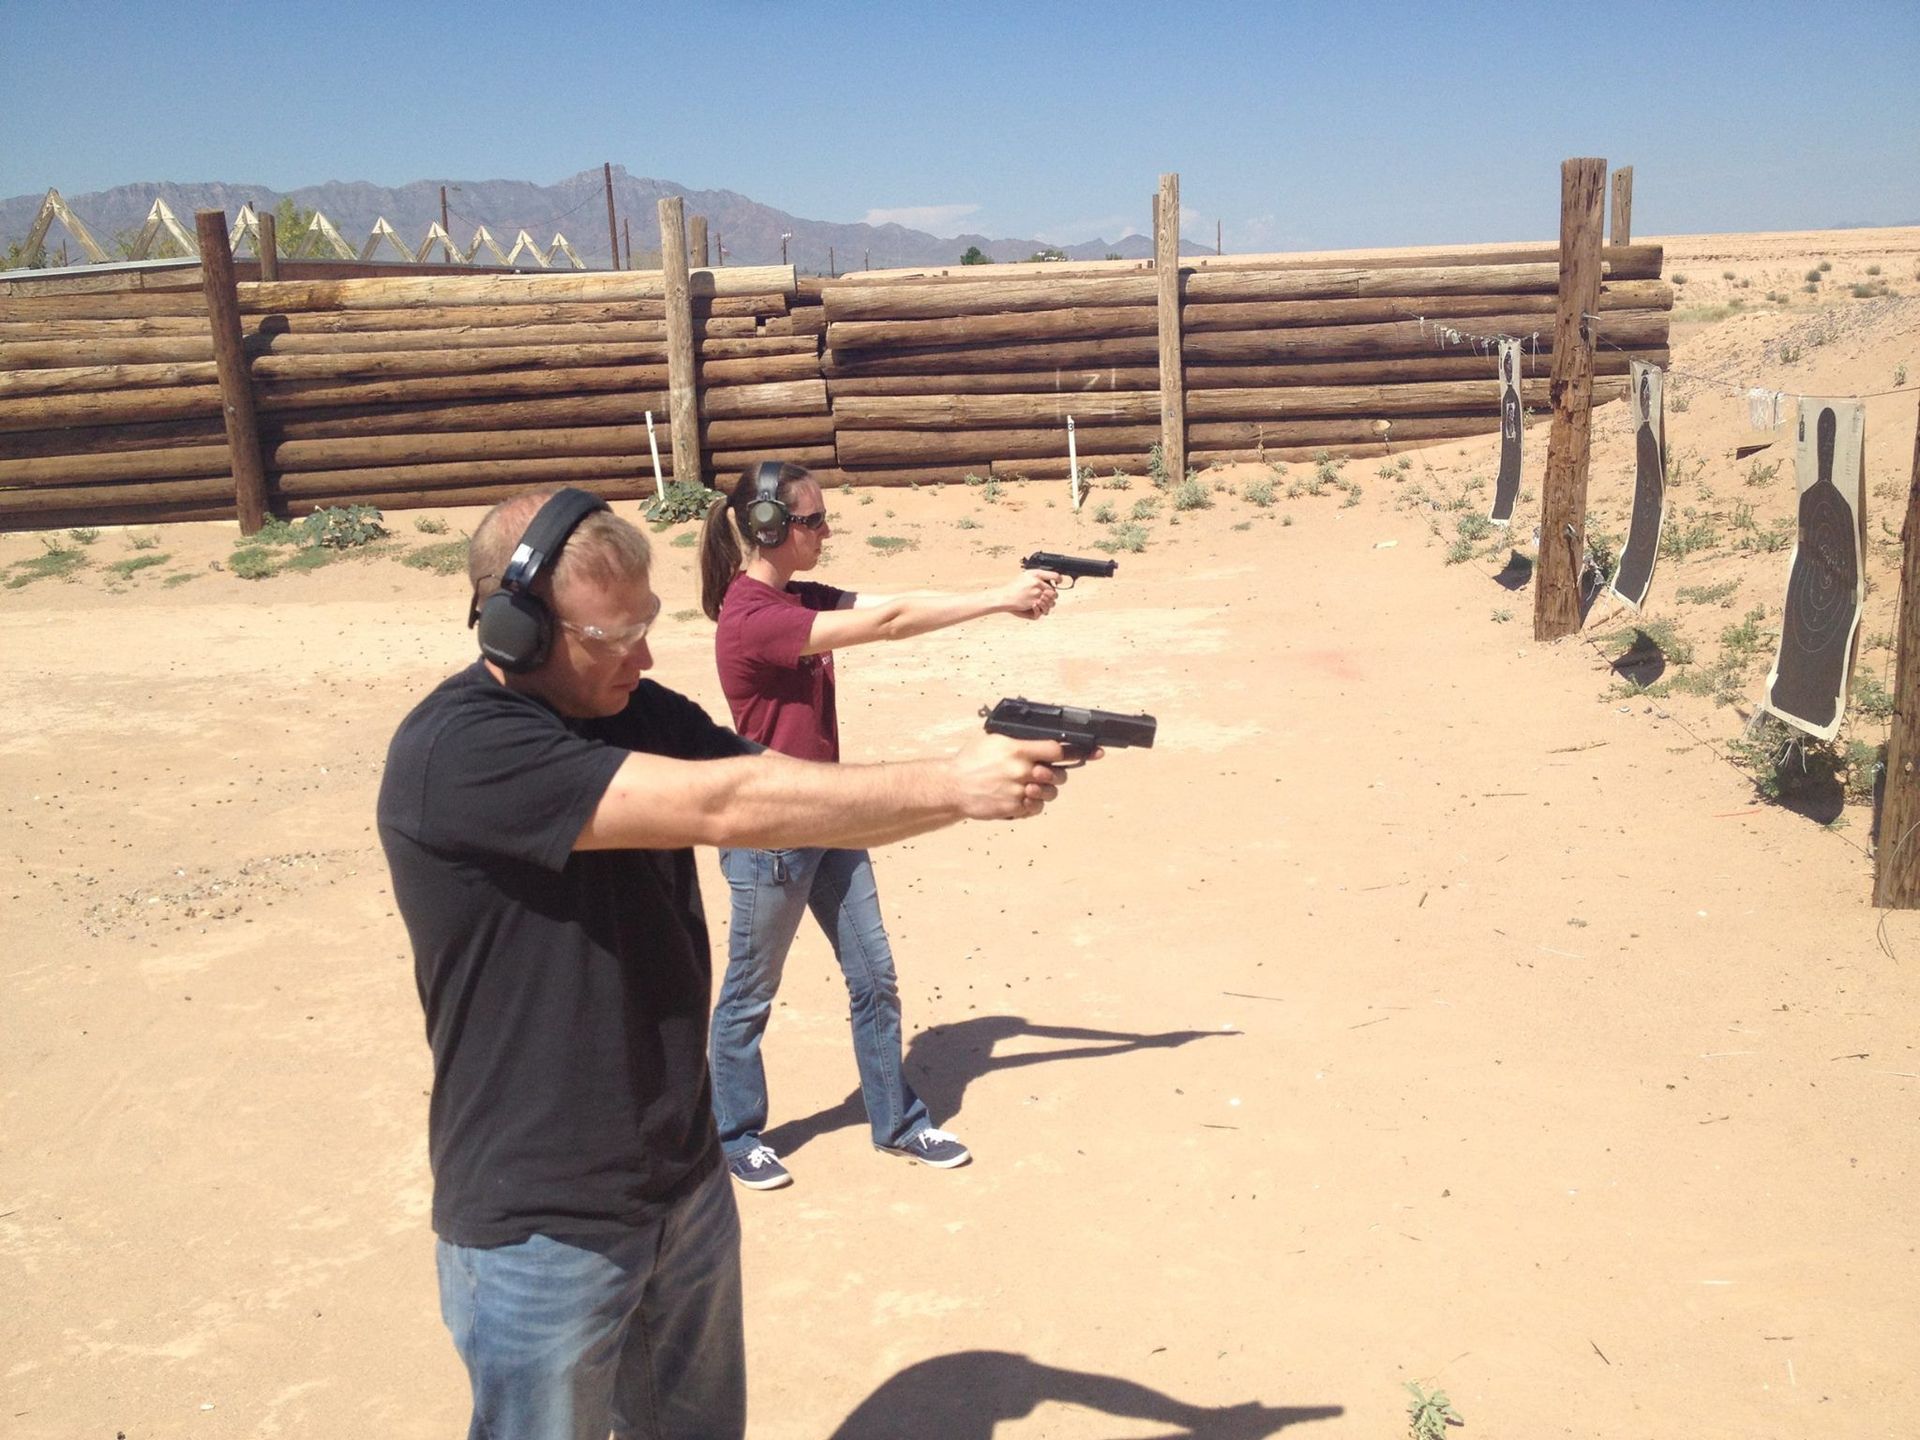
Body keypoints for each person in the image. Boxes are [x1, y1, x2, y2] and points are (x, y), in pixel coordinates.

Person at [377, 487, 1075, 1440]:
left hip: (682, 1177)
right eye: (613, 635)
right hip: (542, 1219)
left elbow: (796, 796)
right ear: (515, 629)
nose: (647, 655)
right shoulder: (461, 751)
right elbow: (729, 808)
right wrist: (954, 781)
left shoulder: (634, 708)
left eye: (648, 625)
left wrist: (979, 792)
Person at [697, 460, 1064, 1190]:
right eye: (813, 520)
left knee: (876, 980)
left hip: (834, 814)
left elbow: (895, 601)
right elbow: (889, 625)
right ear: (770, 529)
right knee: (749, 994)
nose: (826, 530)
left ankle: (896, 1122)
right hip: (772, 833)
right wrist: (998, 599)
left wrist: (993, 598)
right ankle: (733, 1135)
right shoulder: (753, 618)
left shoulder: (800, 597)